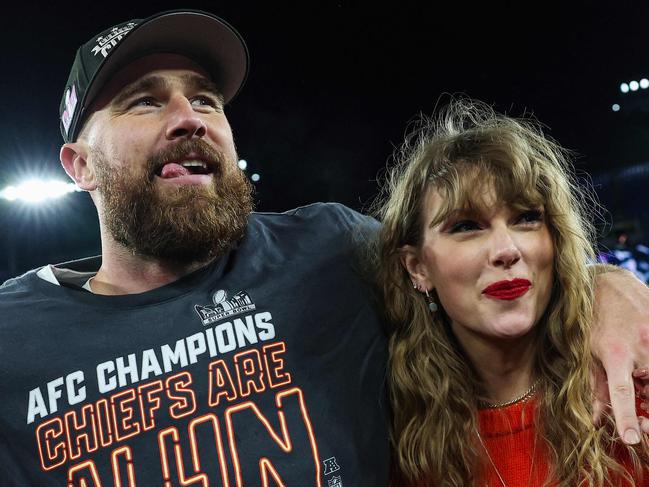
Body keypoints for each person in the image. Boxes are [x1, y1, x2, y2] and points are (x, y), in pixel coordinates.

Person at [0, 9, 647, 486]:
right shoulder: (12, 335)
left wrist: (604, 285)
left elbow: (473, 259)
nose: (189, 115)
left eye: (204, 97)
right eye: (143, 101)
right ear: (77, 164)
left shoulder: (327, 249)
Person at [375, 98, 649, 486]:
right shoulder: (390, 437)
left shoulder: (629, 388)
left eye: (527, 218)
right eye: (466, 225)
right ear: (418, 268)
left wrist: (608, 280)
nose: (506, 250)